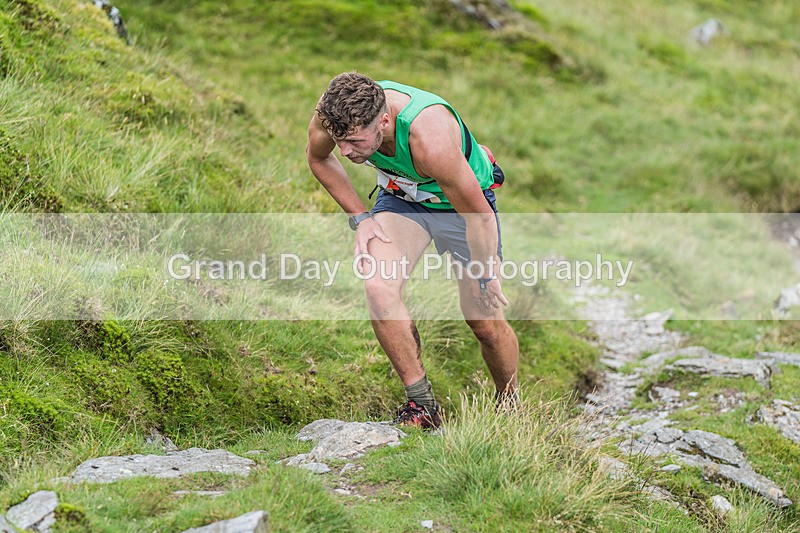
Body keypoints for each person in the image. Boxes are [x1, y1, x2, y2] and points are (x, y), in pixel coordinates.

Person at [306, 72, 519, 429]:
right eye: (340, 140)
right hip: (402, 199)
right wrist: (362, 218)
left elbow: (479, 216)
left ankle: (510, 405)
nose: (344, 151)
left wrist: (486, 270)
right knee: (378, 284)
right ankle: (422, 407)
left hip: (461, 207)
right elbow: (319, 158)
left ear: (385, 121)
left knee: (483, 321)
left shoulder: (427, 136)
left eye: (354, 141)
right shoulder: (334, 115)